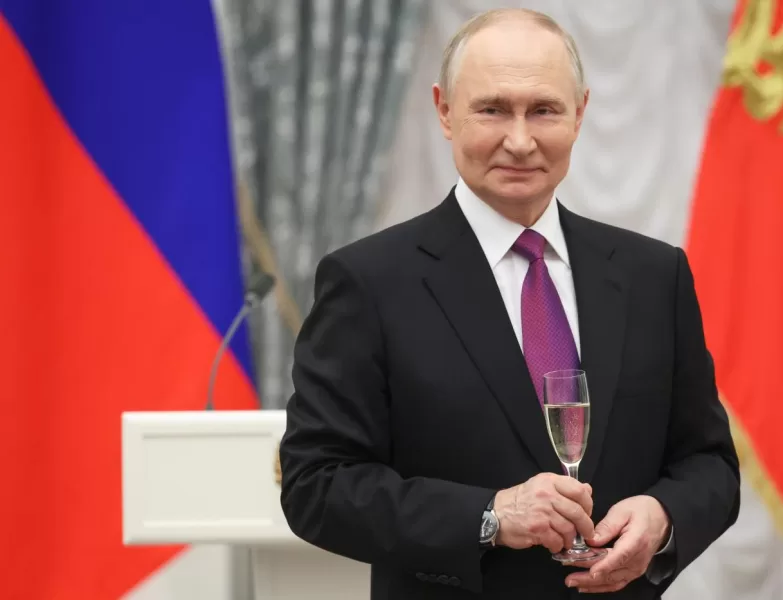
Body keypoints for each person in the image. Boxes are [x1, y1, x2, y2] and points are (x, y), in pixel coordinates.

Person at [279, 8, 739, 599]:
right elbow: (316, 485)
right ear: (445, 111)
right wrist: (490, 517)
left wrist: (663, 516)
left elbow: (710, 465)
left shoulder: (656, 275)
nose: (519, 141)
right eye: (492, 109)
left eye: (543, 110)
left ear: (581, 113)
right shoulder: (367, 281)